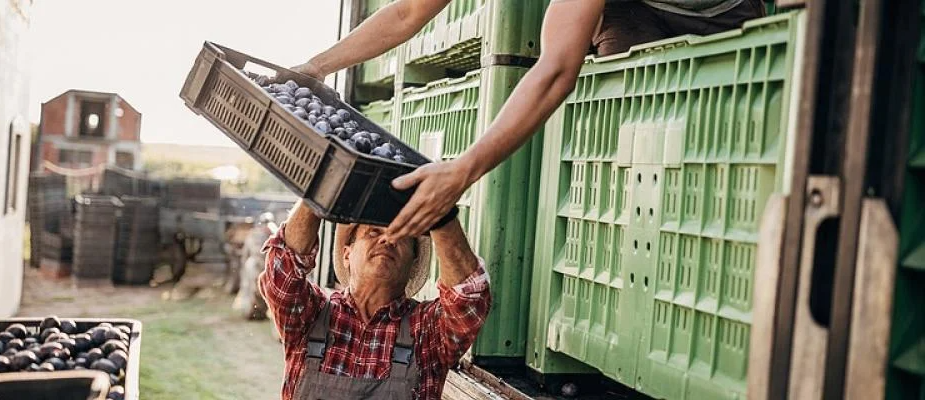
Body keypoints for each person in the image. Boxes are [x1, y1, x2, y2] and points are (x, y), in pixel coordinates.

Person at [290, 0, 765, 241]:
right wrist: (314, 68)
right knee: (637, 129)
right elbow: (407, 12)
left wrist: (465, 168)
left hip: (723, 11)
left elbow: (557, 67)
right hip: (631, 11)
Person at [258, 201, 490, 399]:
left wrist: (441, 212)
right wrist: (321, 192)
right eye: (374, 232)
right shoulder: (313, 314)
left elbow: (469, 296)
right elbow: (282, 271)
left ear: (412, 263)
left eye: (400, 235)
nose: (387, 240)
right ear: (347, 254)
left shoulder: (428, 330)